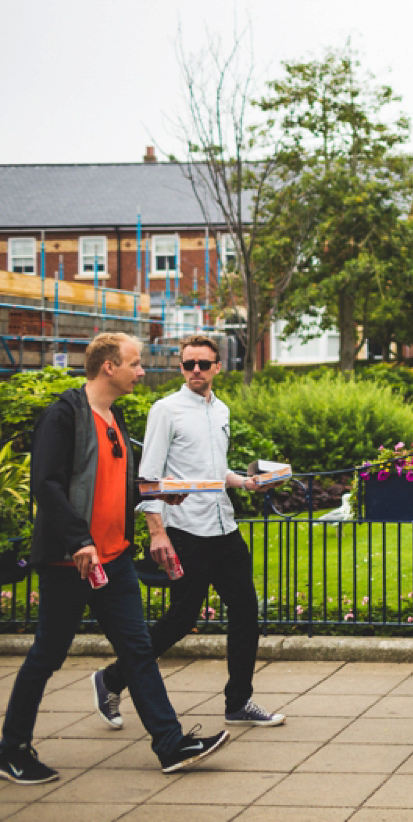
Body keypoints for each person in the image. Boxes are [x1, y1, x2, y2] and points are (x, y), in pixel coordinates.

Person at [1, 333, 228, 784]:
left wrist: (161, 495)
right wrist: (79, 540)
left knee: (138, 650)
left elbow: (118, 484)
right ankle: (11, 750)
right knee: (47, 655)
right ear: (109, 366)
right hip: (74, 562)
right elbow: (46, 483)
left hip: (114, 559)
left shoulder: (114, 416)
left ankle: (170, 744)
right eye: (135, 363)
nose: (141, 371)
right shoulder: (65, 414)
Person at [94, 334, 284, 729]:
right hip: (185, 530)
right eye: (188, 364)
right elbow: (149, 477)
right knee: (181, 619)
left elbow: (215, 472)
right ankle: (111, 679)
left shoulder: (222, 410)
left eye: (203, 363)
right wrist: (157, 531)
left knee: (246, 613)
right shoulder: (166, 410)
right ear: (182, 368)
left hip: (224, 527)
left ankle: (239, 702)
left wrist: (246, 483)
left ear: (217, 367)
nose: (195, 370)